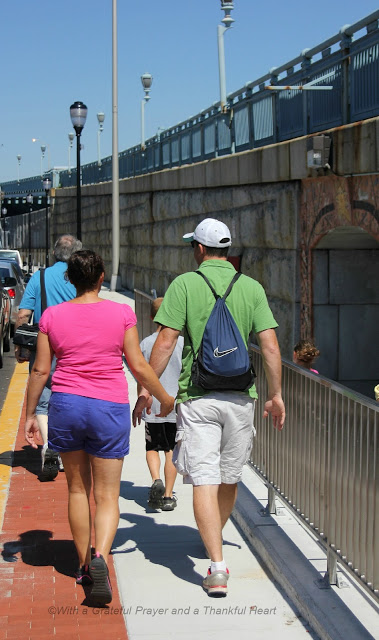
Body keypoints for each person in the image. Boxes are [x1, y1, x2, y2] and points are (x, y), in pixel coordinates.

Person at [135, 218, 285, 597]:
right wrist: (276, 394)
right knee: (229, 477)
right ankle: (214, 538)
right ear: (227, 250)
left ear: (199, 250)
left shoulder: (185, 284)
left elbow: (166, 341)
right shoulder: (250, 287)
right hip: (240, 396)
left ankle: (216, 567)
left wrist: (147, 387)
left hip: (198, 397)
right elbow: (269, 345)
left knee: (203, 478)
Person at [24, 250, 174, 605]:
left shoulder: (52, 315)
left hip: (67, 406)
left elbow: (41, 371)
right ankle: (100, 557)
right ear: (102, 277)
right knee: (107, 495)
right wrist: (163, 398)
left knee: (77, 491)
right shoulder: (121, 313)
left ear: (69, 279)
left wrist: (31, 414)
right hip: (109, 407)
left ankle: (82, 566)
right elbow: (136, 363)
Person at [15, 234, 82, 481]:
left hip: (45, 345)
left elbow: (23, 315)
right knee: (69, 397)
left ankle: (48, 447)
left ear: (54, 253)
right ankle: (65, 449)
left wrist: (20, 346)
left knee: (43, 400)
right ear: (76, 255)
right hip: (74, 346)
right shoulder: (79, 278)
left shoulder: (40, 276)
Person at [133, 298, 184, 511]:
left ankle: (155, 480)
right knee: (171, 449)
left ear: (152, 317)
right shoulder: (181, 343)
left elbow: (141, 377)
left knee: (152, 446)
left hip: (152, 405)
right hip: (174, 405)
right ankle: (168, 495)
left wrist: (141, 398)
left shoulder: (145, 343)